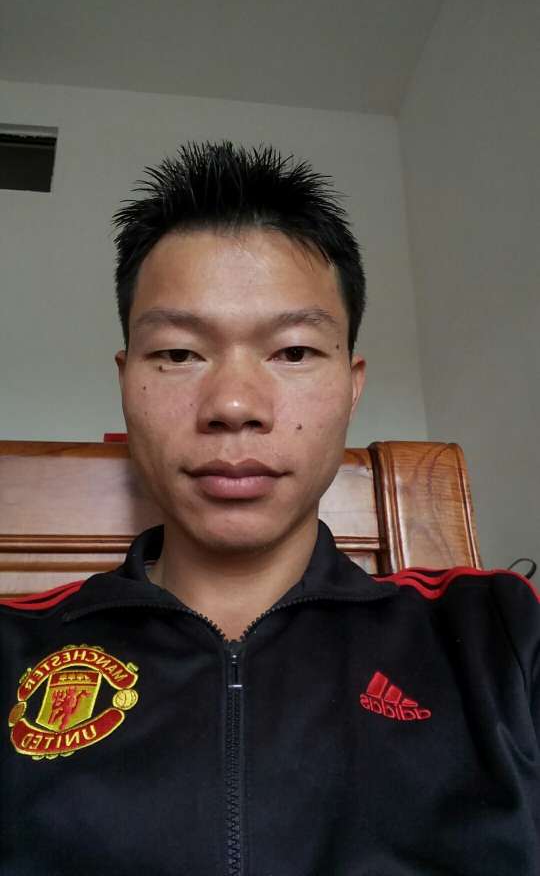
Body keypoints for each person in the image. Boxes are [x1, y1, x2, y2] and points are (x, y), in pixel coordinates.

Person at [1, 141, 539, 875]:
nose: (232, 405)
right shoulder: (15, 648)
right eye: (178, 354)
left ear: (352, 385)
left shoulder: (498, 636)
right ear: (126, 383)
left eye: (292, 352)